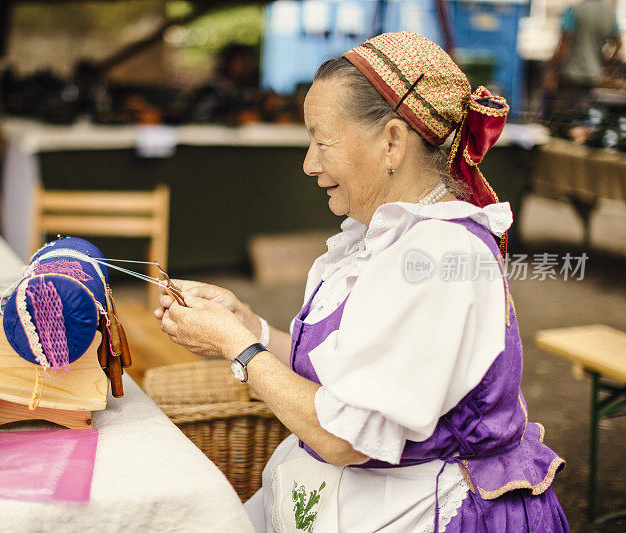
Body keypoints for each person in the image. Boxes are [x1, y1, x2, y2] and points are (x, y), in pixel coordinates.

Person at [156, 32, 569, 532]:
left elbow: (343, 436)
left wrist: (238, 348)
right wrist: (251, 328)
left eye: (321, 140)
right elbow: (354, 376)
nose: (309, 163)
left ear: (393, 140)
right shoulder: (384, 238)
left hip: (439, 514)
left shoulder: (437, 255)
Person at [544, 0, 622, 118]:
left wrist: (552, 73)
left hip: (571, 75)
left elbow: (564, 46)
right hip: (594, 76)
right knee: (585, 120)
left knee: (565, 119)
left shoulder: (574, 11)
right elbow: (618, 44)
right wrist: (605, 63)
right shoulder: (610, 14)